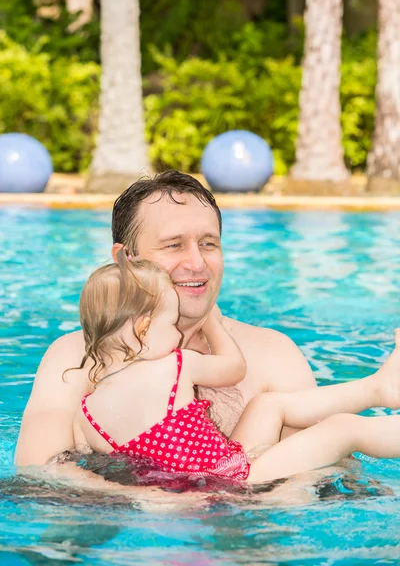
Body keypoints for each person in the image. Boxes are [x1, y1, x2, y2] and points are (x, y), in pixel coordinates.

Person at [16, 171, 319, 468]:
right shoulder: (73, 360)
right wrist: (159, 500)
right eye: (174, 245)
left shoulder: (273, 354)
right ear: (125, 260)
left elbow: (324, 479)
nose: (197, 263)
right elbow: (42, 477)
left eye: (208, 244)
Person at [73, 250, 400, 483]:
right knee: (341, 429)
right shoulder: (176, 365)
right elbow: (233, 369)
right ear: (144, 329)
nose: (178, 331)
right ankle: (381, 389)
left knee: (267, 405)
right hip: (237, 481)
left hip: (198, 493)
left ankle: (380, 388)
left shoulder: (86, 416)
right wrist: (213, 323)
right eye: (172, 322)